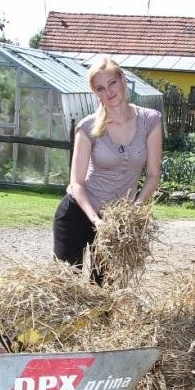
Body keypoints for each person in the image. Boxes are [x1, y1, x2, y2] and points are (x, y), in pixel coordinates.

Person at [53, 55, 163, 279]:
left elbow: (153, 175)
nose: (108, 92)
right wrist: (96, 220)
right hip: (78, 213)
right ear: (96, 94)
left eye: (112, 83)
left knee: (105, 292)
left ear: (123, 80)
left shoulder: (150, 121)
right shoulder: (88, 127)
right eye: (100, 88)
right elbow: (77, 183)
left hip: (117, 220)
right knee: (66, 288)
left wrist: (134, 210)